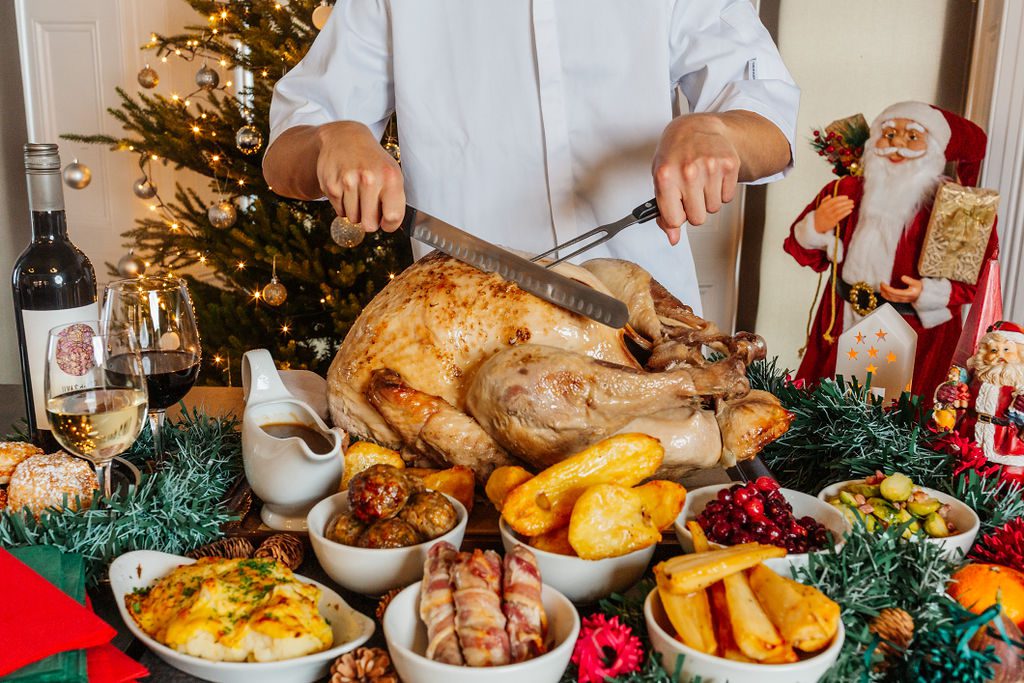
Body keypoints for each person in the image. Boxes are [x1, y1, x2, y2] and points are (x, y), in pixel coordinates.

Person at [263, 1, 799, 312]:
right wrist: (334, 137)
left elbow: (769, 124)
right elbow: (284, 154)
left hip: (644, 336)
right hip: (464, 337)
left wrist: (715, 131)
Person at [783, 102, 998, 399]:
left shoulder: (958, 208)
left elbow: (977, 279)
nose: (897, 144)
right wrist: (816, 228)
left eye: (912, 137)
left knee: (889, 426)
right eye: (889, 134)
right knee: (827, 410)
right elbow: (799, 250)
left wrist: (927, 293)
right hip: (841, 319)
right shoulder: (845, 191)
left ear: (935, 149)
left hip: (912, 331)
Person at [935, 321, 1024, 474]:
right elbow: (955, 397)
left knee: (1008, 478)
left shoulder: (1020, 382)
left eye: (1007, 349)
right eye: (994, 350)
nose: (1000, 355)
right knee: (961, 475)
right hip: (969, 439)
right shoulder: (972, 376)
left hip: (1007, 445)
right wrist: (945, 394)